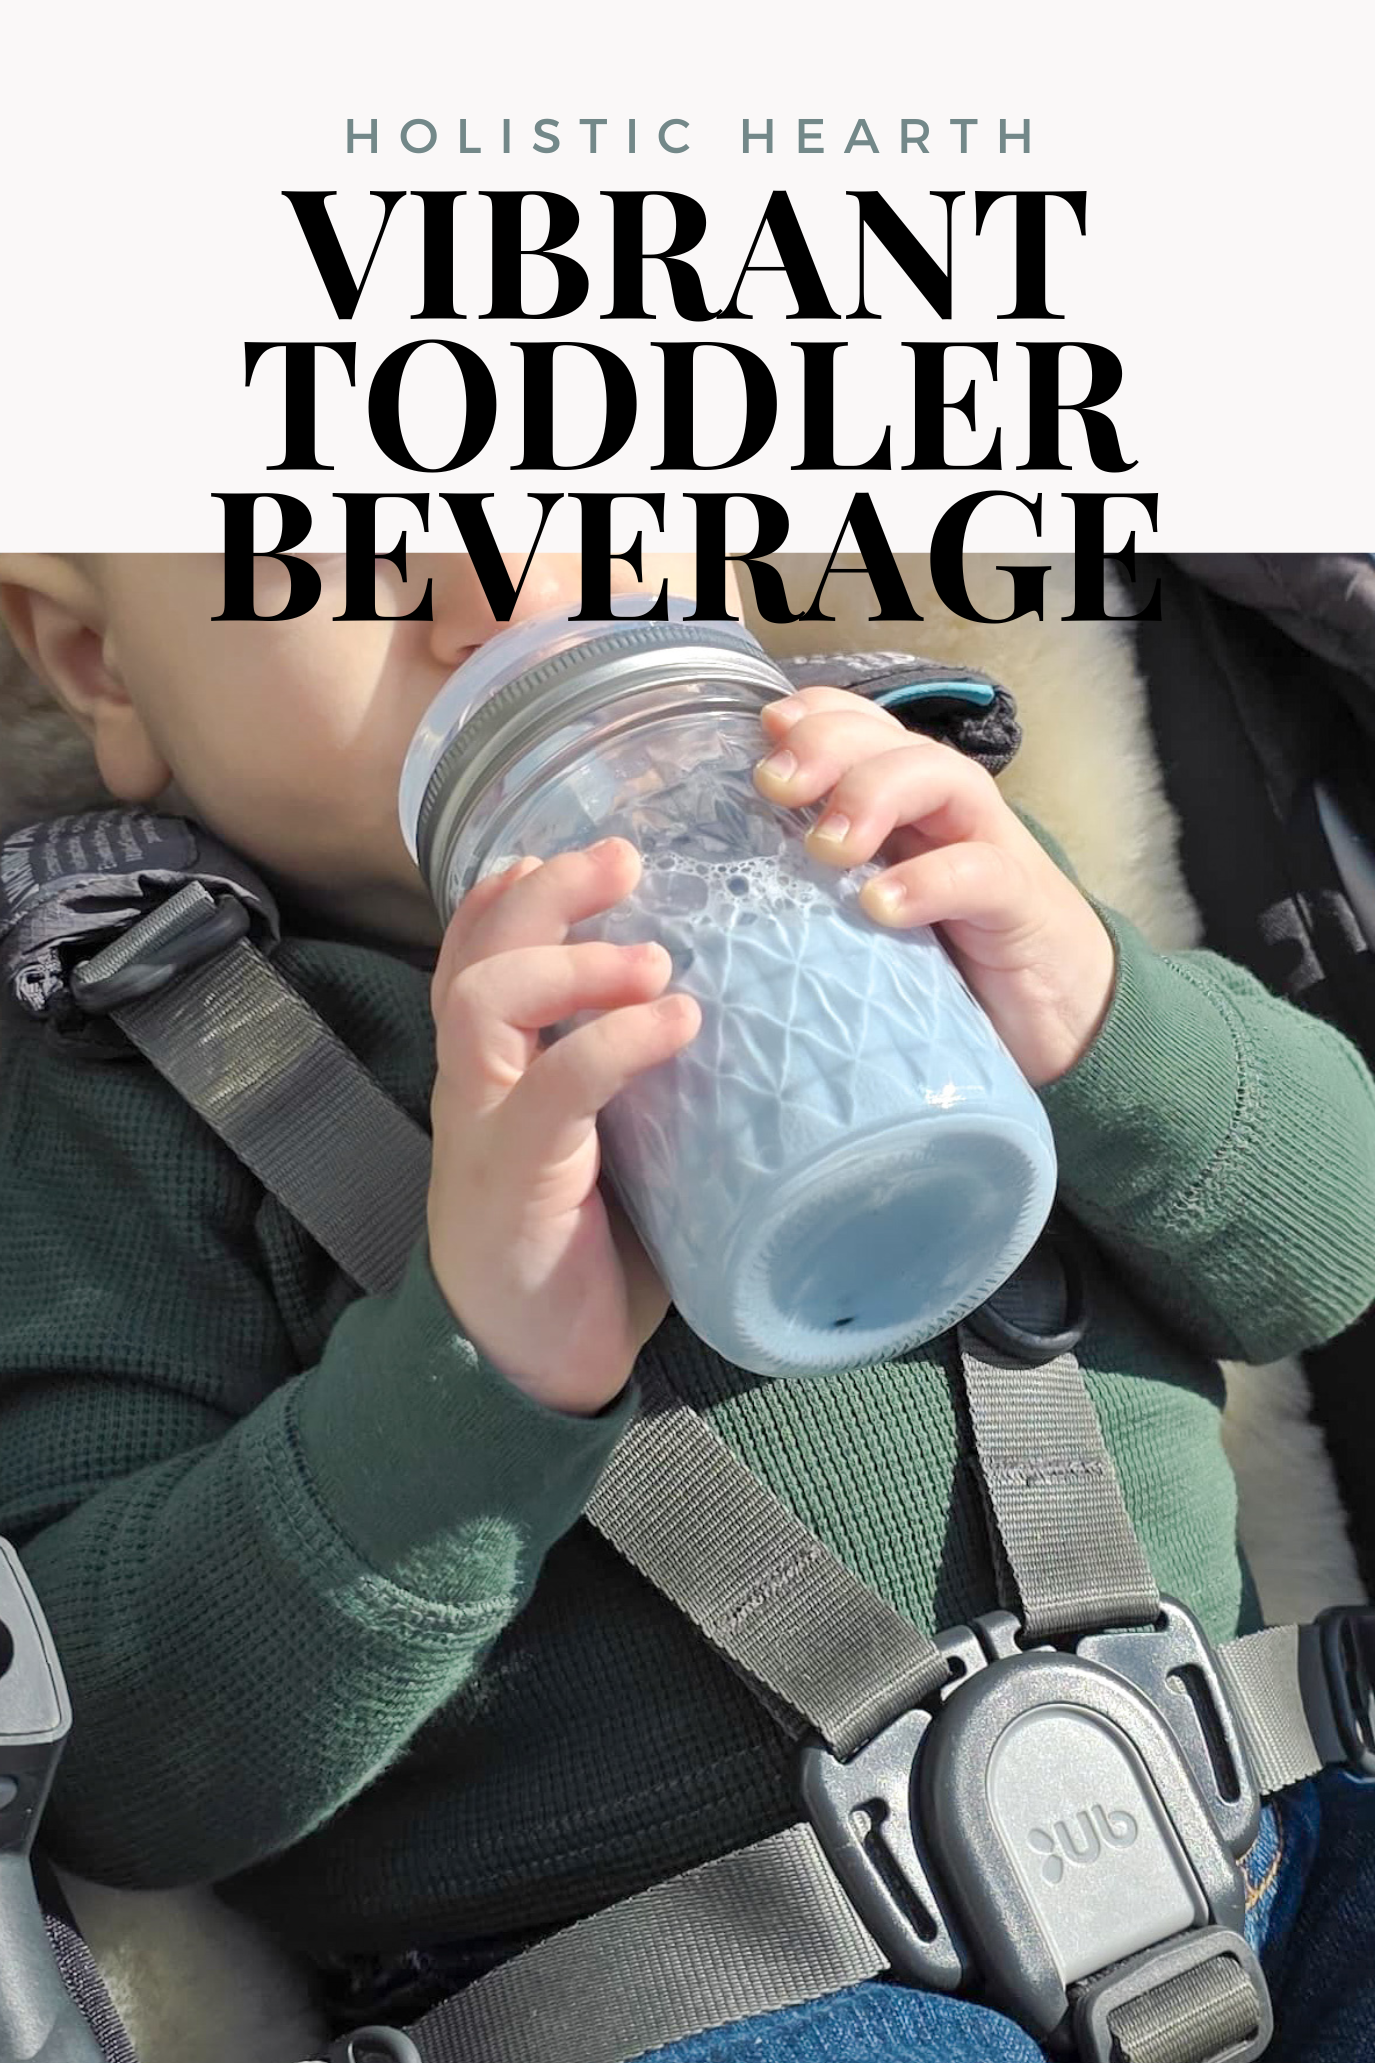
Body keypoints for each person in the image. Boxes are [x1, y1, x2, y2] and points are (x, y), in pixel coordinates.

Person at [0, 549, 1374, 2062]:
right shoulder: (142, 1084)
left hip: (1270, 1817)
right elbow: (121, 1756)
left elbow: (1332, 1250)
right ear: (100, 665)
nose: (500, 584)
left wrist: (1099, 1012)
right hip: (702, 1985)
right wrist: (473, 1369)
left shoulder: (894, 828)